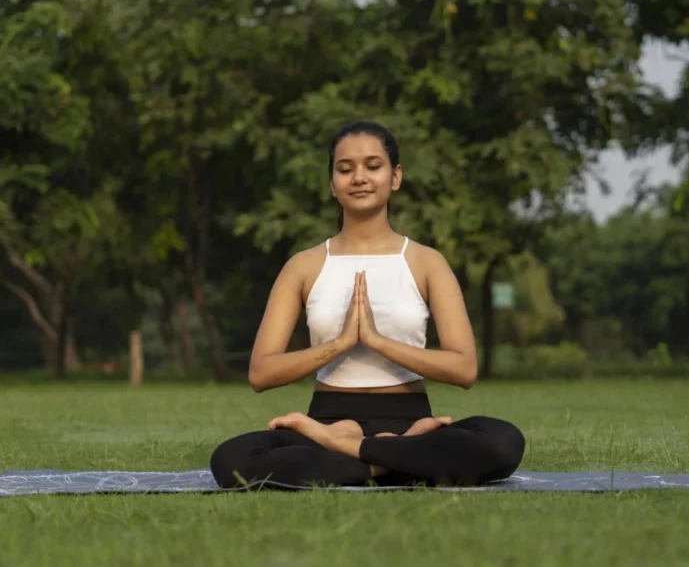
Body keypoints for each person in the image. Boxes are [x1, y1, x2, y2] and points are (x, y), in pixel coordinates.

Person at [210, 120, 525, 489]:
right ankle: (390, 460)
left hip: (412, 425)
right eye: (345, 169)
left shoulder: (426, 262)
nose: (359, 177)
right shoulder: (304, 265)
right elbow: (261, 374)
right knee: (231, 458)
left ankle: (353, 453)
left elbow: (464, 369)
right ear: (332, 183)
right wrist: (340, 344)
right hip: (327, 421)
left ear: (395, 177)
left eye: (373, 166)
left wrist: (376, 340)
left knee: (503, 440)